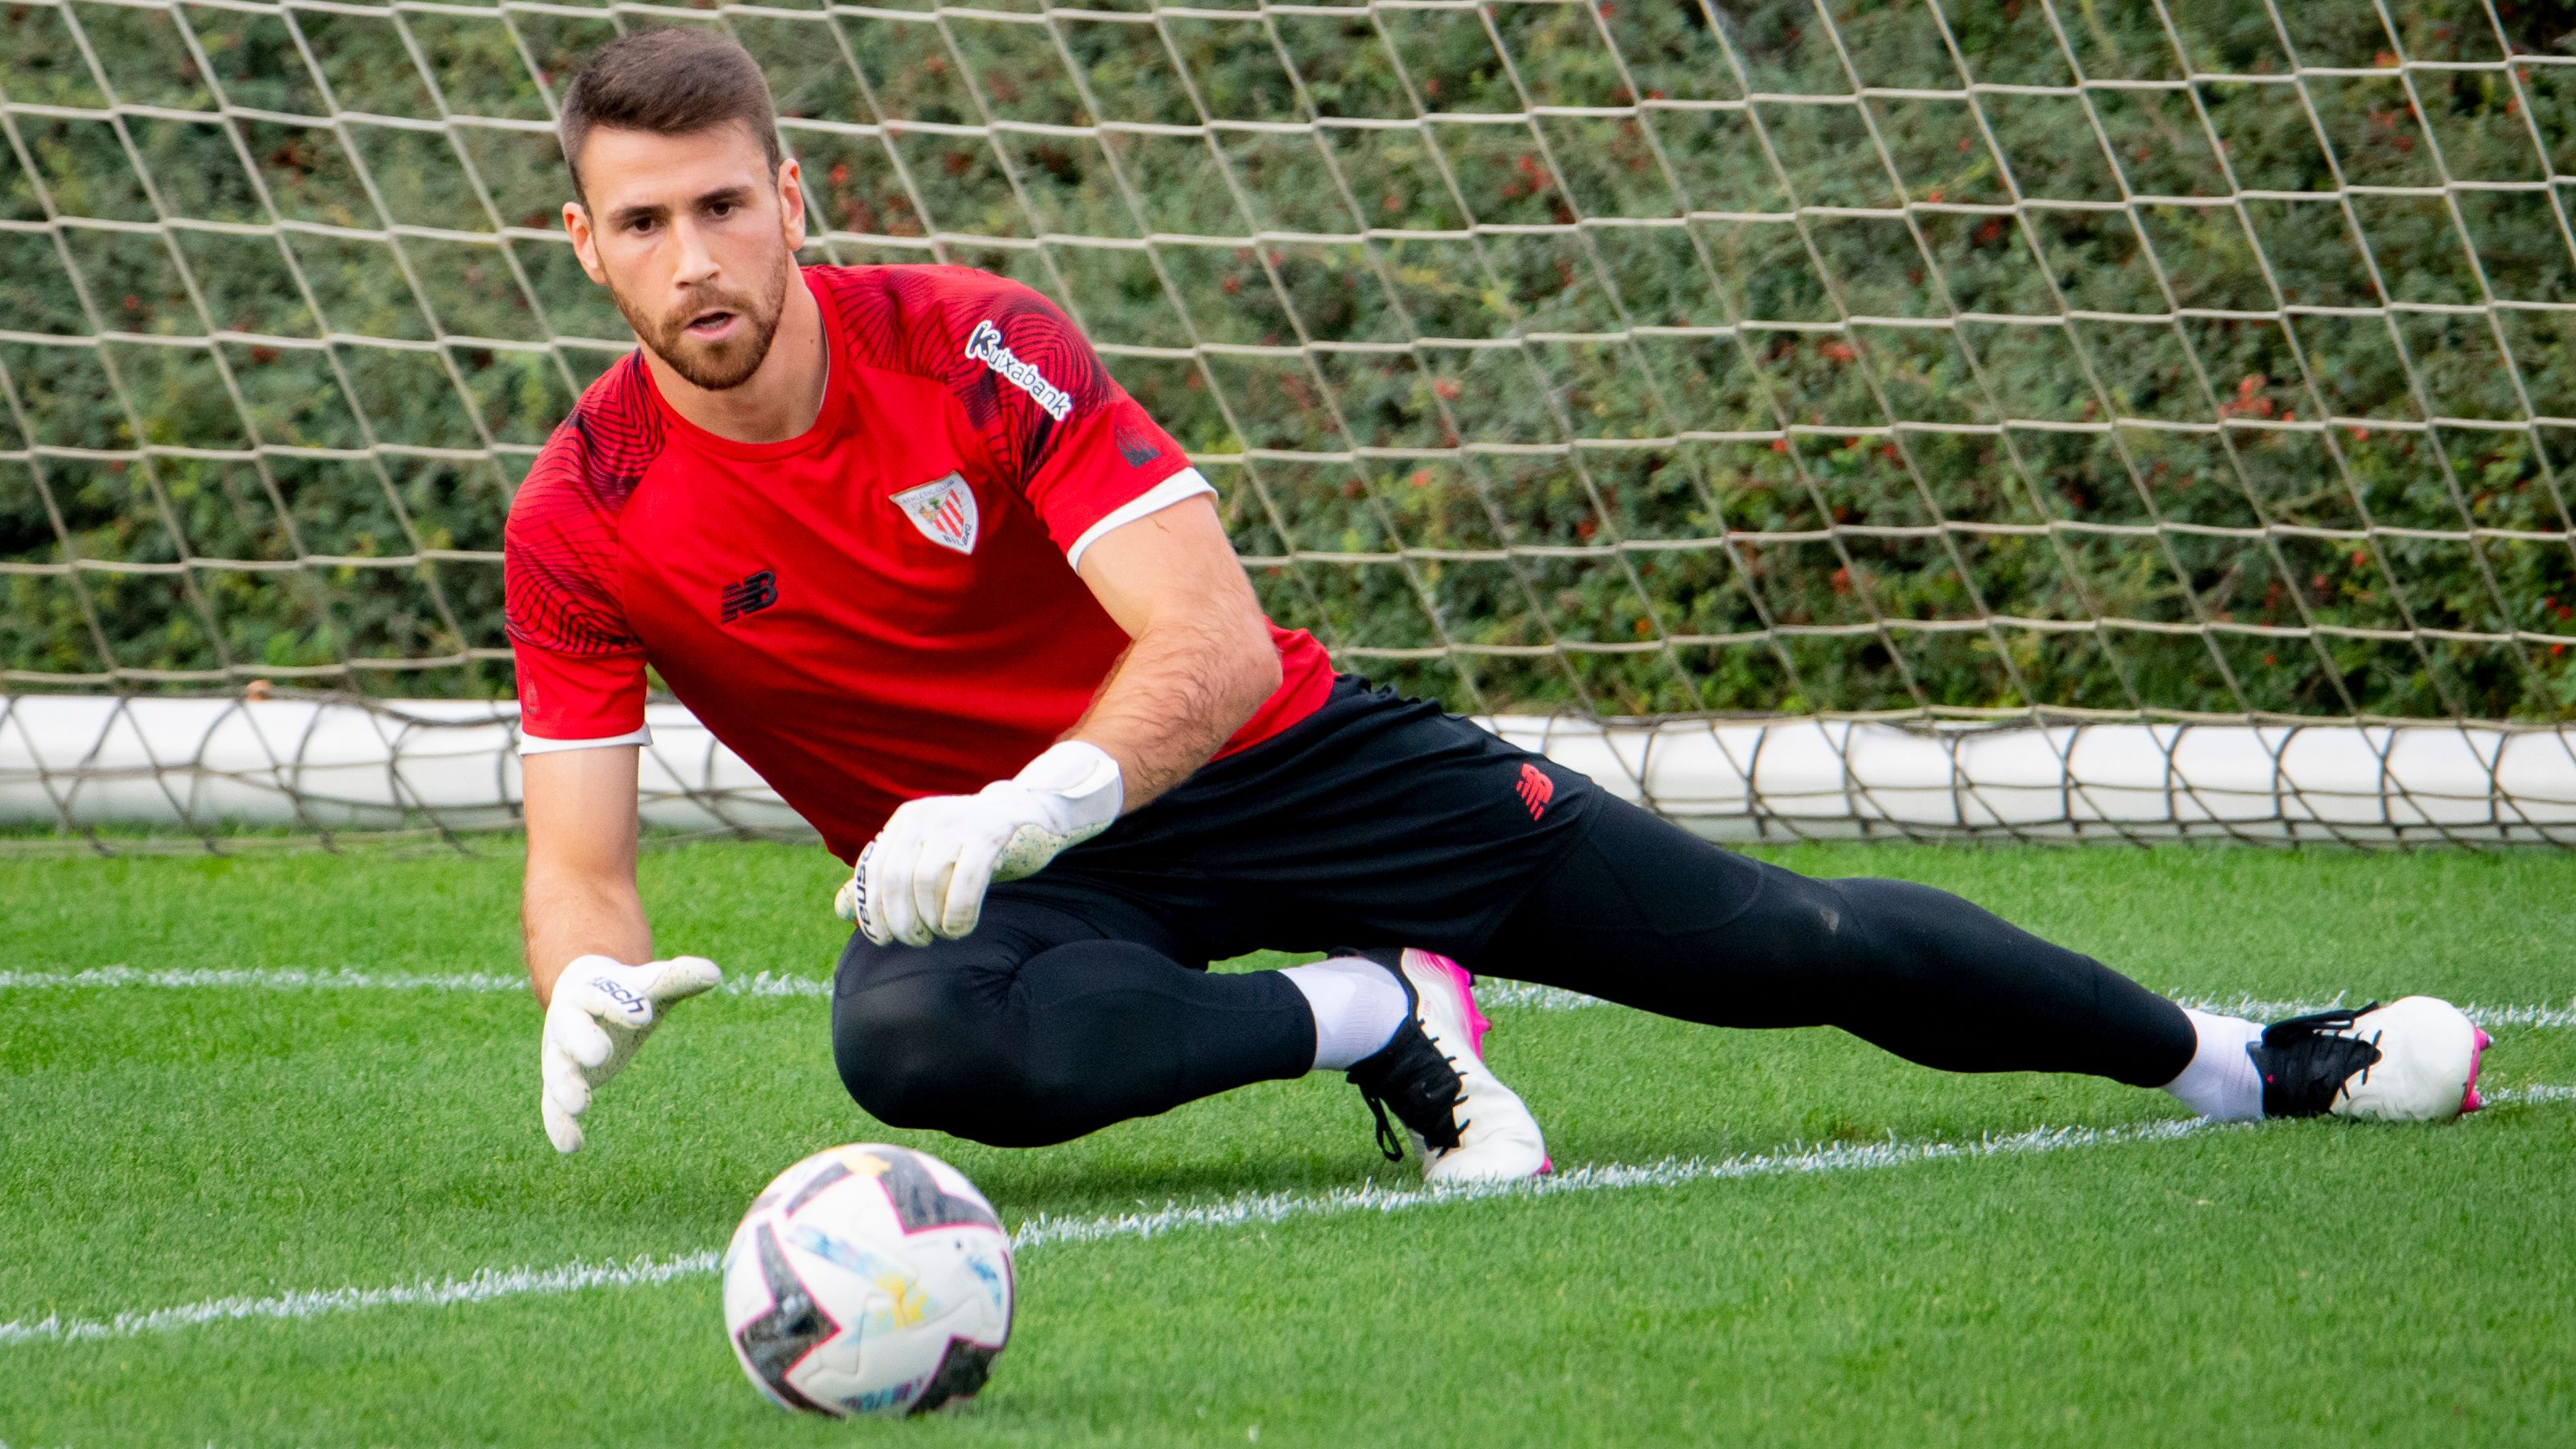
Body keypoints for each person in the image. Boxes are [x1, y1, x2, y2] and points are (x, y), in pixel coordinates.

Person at [511, 31, 2490, 1180]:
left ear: (797, 196)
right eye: (648, 219)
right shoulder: (584, 516)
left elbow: (1197, 651)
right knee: (922, 1058)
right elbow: (581, 862)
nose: (697, 255)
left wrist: (1020, 803)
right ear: (583, 244)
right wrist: (578, 975)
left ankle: (2244, 1059)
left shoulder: (970, 348)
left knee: (1773, 940)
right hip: (1028, 888)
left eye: (725, 203)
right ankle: (1372, 1014)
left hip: (1266, 767)